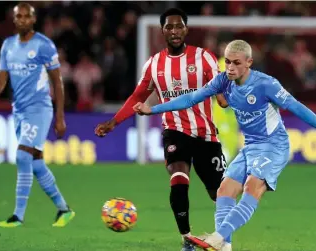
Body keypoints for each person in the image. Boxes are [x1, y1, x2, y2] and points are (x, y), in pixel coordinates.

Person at [133, 40, 316, 251]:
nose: (231, 68)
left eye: (236, 63)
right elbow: (191, 98)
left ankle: (218, 237)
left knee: (252, 187)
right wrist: (153, 109)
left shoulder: (266, 84)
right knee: (224, 189)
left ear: (249, 63)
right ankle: (224, 246)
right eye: (227, 62)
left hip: (274, 146)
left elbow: (297, 108)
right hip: (251, 146)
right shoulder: (223, 81)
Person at [95, 8, 229, 251]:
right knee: (179, 178)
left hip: (205, 134)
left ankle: (224, 238)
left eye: (179, 26)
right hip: (174, 130)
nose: (175, 31)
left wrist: (223, 96)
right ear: (163, 31)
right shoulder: (154, 64)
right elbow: (138, 96)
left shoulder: (204, 57)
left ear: (186, 29)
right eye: (170, 27)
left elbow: (220, 87)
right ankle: (187, 238)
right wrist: (114, 122)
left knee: (218, 193)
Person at [0, 3, 75, 228]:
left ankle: (18, 216)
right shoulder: (8, 46)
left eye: (27, 16)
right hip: (19, 111)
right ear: (14, 20)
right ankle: (64, 209)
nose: (23, 20)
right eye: (19, 17)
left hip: (39, 108)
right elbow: (2, 77)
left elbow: (57, 81)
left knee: (23, 156)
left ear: (33, 20)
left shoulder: (44, 45)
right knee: (35, 163)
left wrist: (60, 116)